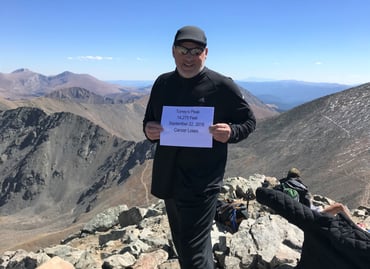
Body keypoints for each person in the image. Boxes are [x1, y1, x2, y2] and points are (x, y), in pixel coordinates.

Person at [143, 25, 256, 268]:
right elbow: (149, 121)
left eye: (196, 51)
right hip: (169, 178)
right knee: (184, 244)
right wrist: (149, 130)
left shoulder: (221, 85)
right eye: (183, 50)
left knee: (193, 253)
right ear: (173, 51)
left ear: (206, 53)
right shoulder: (162, 84)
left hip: (202, 182)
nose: (189, 57)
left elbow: (249, 121)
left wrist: (231, 132)